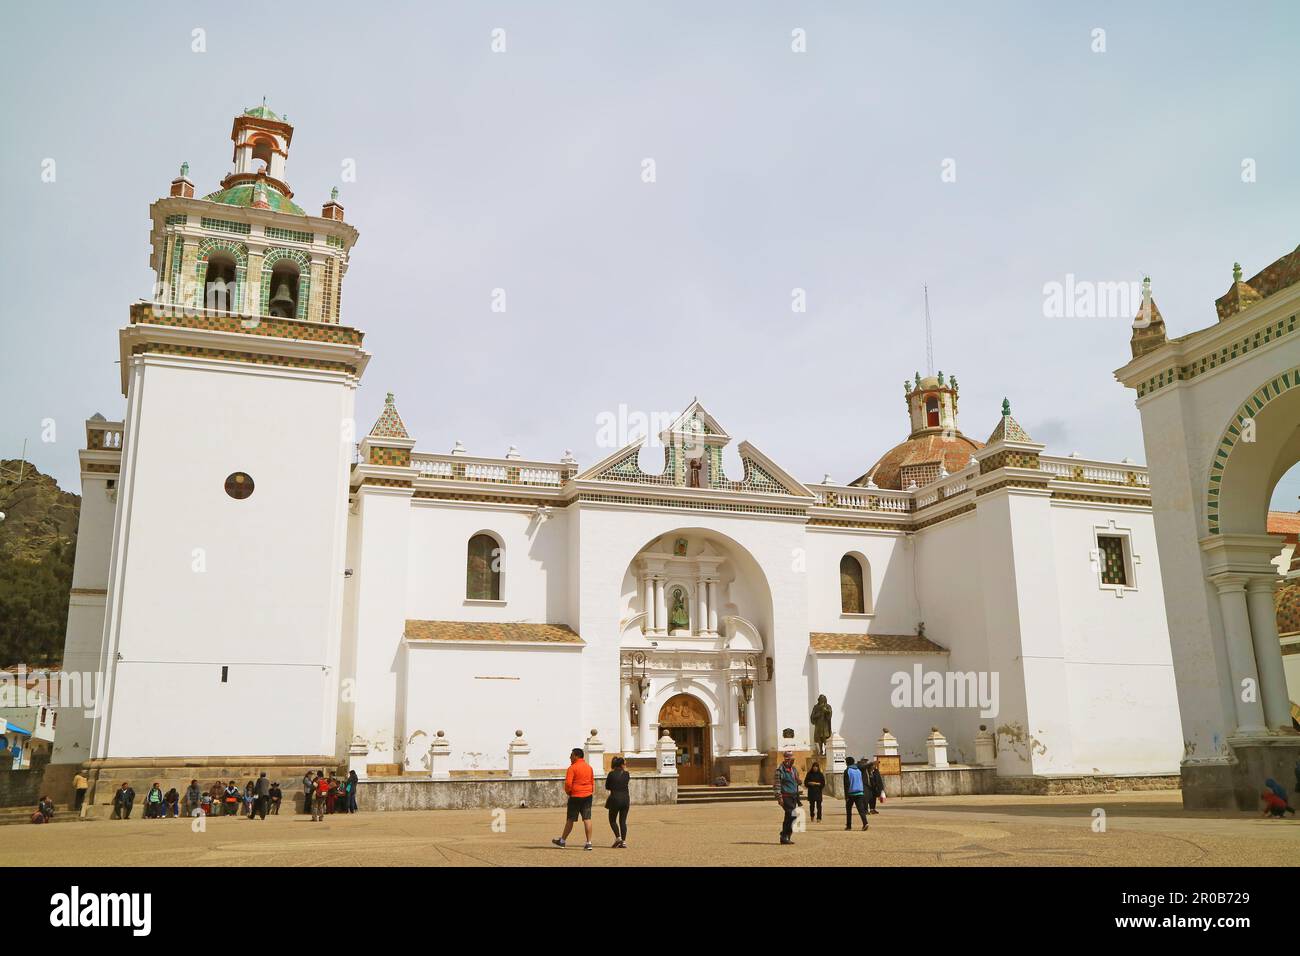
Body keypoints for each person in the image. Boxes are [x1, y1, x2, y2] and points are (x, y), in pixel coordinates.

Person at [552, 747, 595, 850]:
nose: (570, 757)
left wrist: (569, 792)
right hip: (587, 795)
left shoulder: (572, 768)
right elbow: (592, 781)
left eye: (571, 755)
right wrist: (589, 791)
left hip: (575, 795)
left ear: (576, 756)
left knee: (570, 819)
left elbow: (568, 784)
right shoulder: (589, 767)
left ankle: (562, 841)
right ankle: (589, 842)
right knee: (587, 818)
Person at [773, 750, 801, 844]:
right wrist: (779, 797)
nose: (789, 759)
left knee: (788, 816)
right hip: (785, 796)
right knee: (792, 814)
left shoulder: (794, 770)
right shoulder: (780, 770)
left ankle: (785, 836)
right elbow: (777, 785)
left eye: (790, 757)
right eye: (787, 757)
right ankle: (784, 834)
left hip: (793, 796)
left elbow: (797, 782)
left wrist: (798, 780)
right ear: (784, 758)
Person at [605, 755, 631, 848]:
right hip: (625, 799)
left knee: (612, 820)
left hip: (615, 799)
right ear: (621, 765)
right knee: (623, 821)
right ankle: (623, 842)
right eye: (624, 764)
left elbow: (607, 787)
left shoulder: (611, 774)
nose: (625, 765)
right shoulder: (626, 774)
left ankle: (618, 837)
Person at [843, 757, 868, 831]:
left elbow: (846, 784)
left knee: (848, 810)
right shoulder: (858, 770)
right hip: (860, 792)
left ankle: (849, 826)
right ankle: (865, 823)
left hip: (851, 793)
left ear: (847, 762)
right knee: (861, 809)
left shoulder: (847, 770)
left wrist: (846, 796)